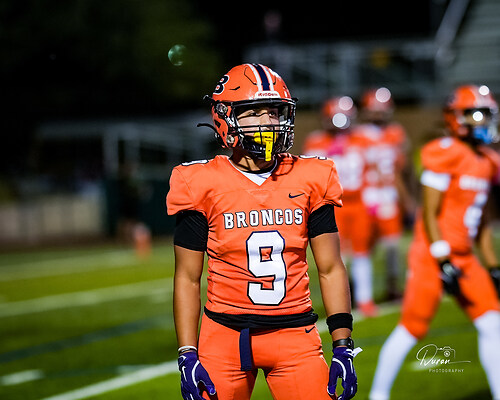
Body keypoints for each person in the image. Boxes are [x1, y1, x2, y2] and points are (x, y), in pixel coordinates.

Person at [167, 63, 361, 400]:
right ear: (225, 118)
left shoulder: (311, 176)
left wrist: (342, 344)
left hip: (295, 336)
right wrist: (187, 352)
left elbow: (330, 267)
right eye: (255, 113)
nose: (269, 122)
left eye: (274, 112)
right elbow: (187, 276)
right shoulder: (198, 182)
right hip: (223, 337)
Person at [369, 84, 500, 400]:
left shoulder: (486, 160)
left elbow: (481, 220)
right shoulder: (445, 152)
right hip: (432, 254)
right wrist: (442, 258)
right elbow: (428, 212)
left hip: (464, 257)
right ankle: (378, 394)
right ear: (457, 118)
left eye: (487, 115)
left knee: (492, 324)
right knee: (412, 327)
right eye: (477, 114)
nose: (484, 121)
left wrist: (492, 264)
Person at [303, 97, 378, 317]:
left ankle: (365, 299)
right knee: (336, 254)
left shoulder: (363, 139)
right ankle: (342, 300)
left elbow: (372, 170)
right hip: (331, 204)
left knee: (362, 251)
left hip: (358, 201)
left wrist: (374, 197)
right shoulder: (317, 141)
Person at [355, 87, 414, 301]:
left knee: (392, 245)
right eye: (375, 109)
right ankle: (357, 287)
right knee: (363, 246)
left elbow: (402, 170)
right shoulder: (357, 135)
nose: (379, 113)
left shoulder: (395, 133)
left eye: (382, 108)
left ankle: (392, 285)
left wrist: (407, 198)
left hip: (388, 195)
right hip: (366, 196)